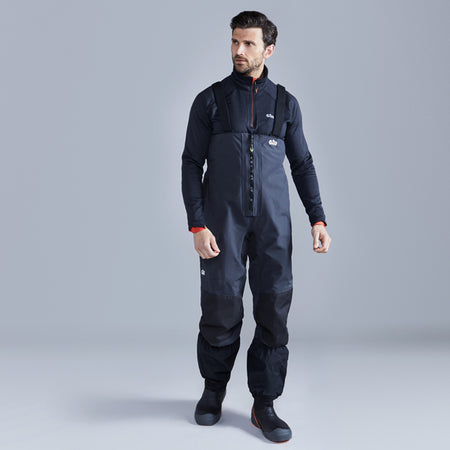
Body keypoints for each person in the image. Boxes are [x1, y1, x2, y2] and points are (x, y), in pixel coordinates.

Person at [181, 10, 331, 443]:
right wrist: (197, 225)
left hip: (273, 230)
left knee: (273, 315)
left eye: (248, 43)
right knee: (220, 312)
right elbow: (191, 164)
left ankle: (264, 404)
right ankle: (213, 391)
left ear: (269, 49)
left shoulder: (285, 104)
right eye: (234, 41)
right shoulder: (209, 101)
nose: (238, 50)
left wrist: (317, 218)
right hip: (222, 227)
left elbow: (302, 164)